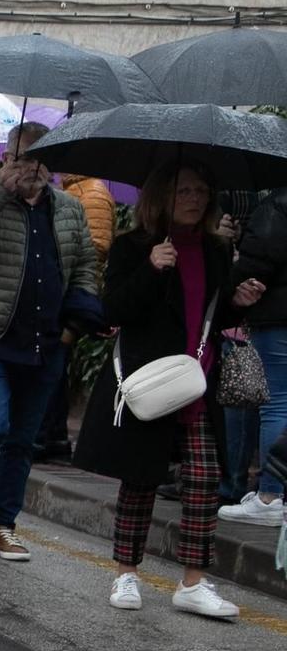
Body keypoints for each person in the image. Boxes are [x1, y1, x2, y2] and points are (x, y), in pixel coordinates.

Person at [76, 162, 262, 620]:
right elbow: (112, 310)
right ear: (161, 196)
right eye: (184, 191)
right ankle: (126, 571)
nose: (194, 199)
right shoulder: (134, 247)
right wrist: (152, 269)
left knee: (202, 479)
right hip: (151, 380)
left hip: (198, 380)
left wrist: (237, 305)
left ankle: (193, 581)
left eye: (201, 191)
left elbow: (207, 318)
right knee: (140, 478)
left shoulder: (217, 250)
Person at [0, 122, 97, 560]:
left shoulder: (67, 209)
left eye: (43, 158)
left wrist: (72, 329)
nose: (34, 168)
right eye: (25, 157)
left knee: (23, 440)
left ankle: (4, 524)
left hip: (46, 342)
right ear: (6, 158)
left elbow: (84, 264)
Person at [222, 187, 287, 526]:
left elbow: (256, 263)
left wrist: (232, 277)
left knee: (276, 404)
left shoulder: (277, 204)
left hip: (277, 318)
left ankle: (269, 496)